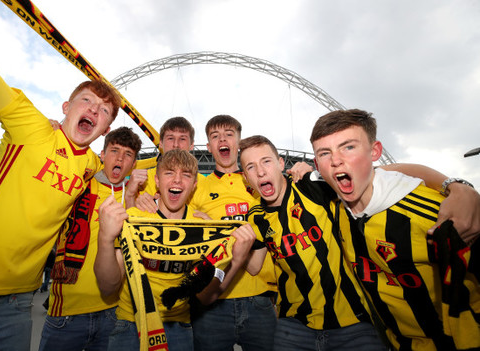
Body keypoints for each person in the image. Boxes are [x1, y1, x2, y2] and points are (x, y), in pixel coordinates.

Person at [0, 1, 121, 350]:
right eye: (87, 100)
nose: (94, 109)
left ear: (106, 129)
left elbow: (143, 168)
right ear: (66, 107)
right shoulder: (28, 125)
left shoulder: (92, 164)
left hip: (16, 306)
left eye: (104, 110)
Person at [310, 109, 480, 350]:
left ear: (375, 151)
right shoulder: (337, 211)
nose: (336, 160)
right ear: (317, 164)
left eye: (348, 147)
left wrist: (461, 188)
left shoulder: (433, 212)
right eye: (325, 153)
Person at [94, 149, 257, 351]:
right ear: (157, 180)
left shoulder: (203, 228)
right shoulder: (135, 218)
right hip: (131, 324)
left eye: (186, 175)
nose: (177, 180)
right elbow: (108, 288)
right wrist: (105, 239)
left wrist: (238, 260)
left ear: (194, 185)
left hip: (179, 329)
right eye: (169, 173)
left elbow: (206, 296)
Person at [241, 135, 387, 351]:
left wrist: (452, 186)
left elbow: (375, 175)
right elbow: (254, 267)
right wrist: (229, 239)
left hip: (353, 323)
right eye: (251, 167)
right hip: (293, 326)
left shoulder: (310, 186)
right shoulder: (256, 216)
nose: (260, 172)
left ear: (281, 163)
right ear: (245, 177)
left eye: (266, 161)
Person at [38, 127, 142, 351]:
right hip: (67, 312)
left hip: (115, 311)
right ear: (102, 155)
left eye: (128, 155)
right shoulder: (79, 185)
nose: (120, 159)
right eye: (114, 151)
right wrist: (54, 133)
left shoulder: (136, 196)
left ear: (134, 164)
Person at [189, 115, 278, 351]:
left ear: (239, 142)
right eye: (215, 136)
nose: (222, 139)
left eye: (229, 134)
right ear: (209, 147)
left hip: (260, 297)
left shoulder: (260, 180)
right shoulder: (198, 187)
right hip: (213, 301)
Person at [126, 116, 204, 209]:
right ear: (161, 144)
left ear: (192, 145)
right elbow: (128, 218)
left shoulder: (203, 183)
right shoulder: (142, 181)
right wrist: (131, 198)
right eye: (170, 138)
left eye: (182, 139)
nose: (176, 145)